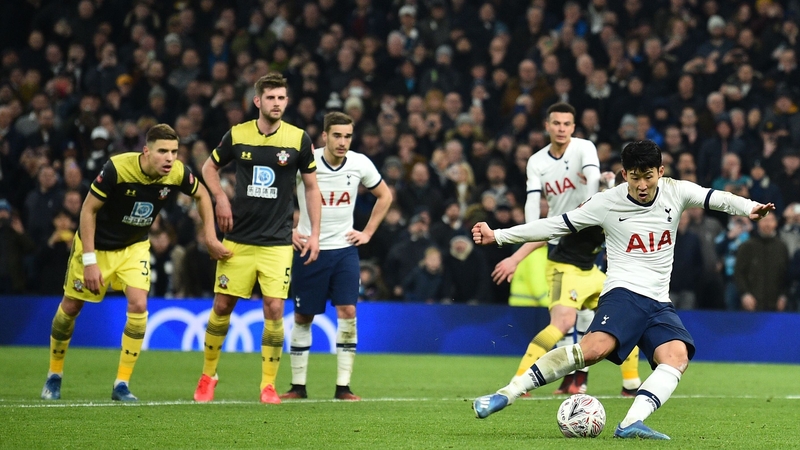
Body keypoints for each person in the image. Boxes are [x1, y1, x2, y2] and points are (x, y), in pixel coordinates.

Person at [471, 140, 774, 439]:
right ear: (624, 173)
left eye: (648, 176)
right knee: (592, 351)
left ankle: (630, 423)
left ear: (661, 171)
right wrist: (498, 236)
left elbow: (717, 198)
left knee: (677, 356)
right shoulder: (607, 202)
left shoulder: (676, 191)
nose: (642, 184)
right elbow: (555, 225)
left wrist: (750, 208)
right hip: (623, 293)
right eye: (634, 176)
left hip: (658, 301)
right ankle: (507, 393)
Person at [40, 124, 230, 402]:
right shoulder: (117, 169)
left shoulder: (177, 173)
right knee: (71, 306)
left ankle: (122, 384)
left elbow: (202, 194)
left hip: (134, 246)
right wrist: (90, 261)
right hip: (97, 245)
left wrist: (211, 237)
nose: (170, 158)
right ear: (146, 151)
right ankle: (54, 375)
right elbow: (88, 210)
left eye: (174, 152)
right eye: (162, 151)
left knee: (139, 304)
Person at [490, 102, 641, 397]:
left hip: (587, 242)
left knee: (619, 315)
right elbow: (535, 210)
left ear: (573, 127)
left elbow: (592, 190)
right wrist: (525, 239)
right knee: (565, 322)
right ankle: (522, 381)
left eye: (566, 124)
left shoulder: (584, 148)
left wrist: (600, 189)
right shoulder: (537, 162)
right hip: (562, 242)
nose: (561, 129)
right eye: (556, 123)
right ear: (547, 126)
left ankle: (625, 384)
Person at [193, 73, 321, 405]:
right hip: (238, 238)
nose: (277, 103)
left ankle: (267, 385)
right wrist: (221, 197)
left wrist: (314, 234)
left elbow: (311, 187)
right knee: (222, 306)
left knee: (275, 308)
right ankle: (208, 376)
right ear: (258, 101)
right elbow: (208, 169)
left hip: (277, 242)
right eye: (271, 98)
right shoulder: (238, 134)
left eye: (282, 98)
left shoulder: (298, 139)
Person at [279, 112, 392, 401]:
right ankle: (297, 387)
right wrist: (288, 228)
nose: (343, 142)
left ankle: (343, 387)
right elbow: (278, 192)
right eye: (337, 135)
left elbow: (385, 195)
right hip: (308, 249)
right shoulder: (307, 160)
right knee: (303, 316)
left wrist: (366, 233)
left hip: (343, 250)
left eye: (348, 136)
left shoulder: (359, 163)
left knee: (348, 312)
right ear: (325, 136)